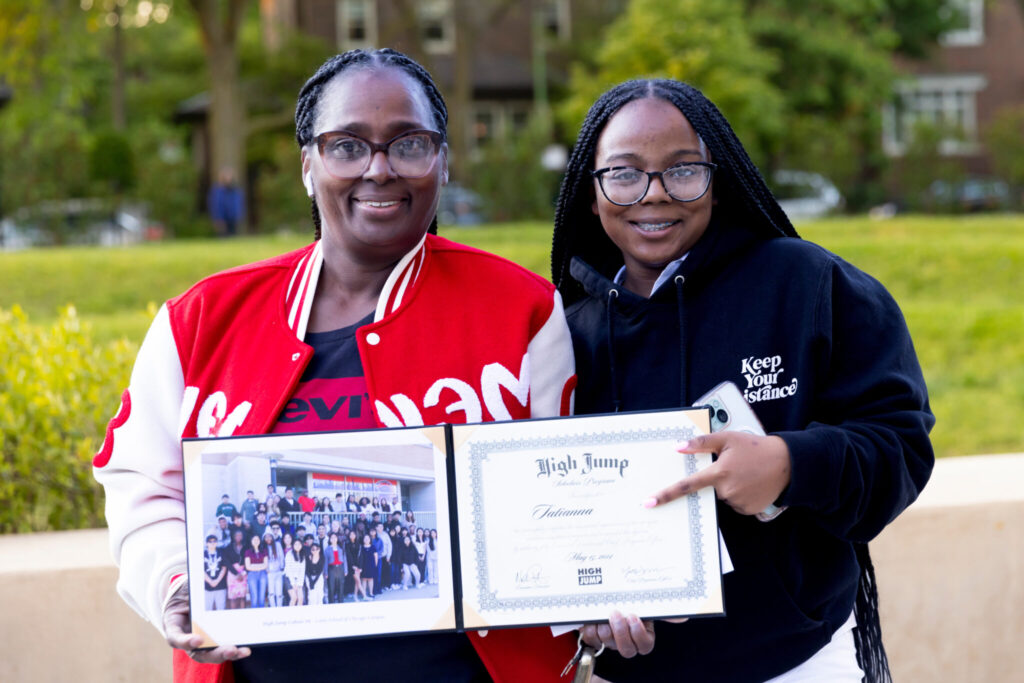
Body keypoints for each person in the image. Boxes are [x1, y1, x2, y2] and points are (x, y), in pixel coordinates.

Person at [93, 47, 577, 682]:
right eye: (347, 146)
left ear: (443, 162)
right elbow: (142, 488)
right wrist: (175, 587)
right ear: (307, 164)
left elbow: (570, 498)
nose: (379, 170)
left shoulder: (524, 310)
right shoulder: (201, 319)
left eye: (409, 144)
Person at [550, 78, 935, 682]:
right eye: (623, 174)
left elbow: (901, 449)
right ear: (590, 193)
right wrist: (583, 607)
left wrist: (788, 464)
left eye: (683, 171)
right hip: (639, 669)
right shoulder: (561, 337)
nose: (653, 195)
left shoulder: (807, 284)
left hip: (797, 658)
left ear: (718, 176)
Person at [207, 166, 244, 237]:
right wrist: (217, 218)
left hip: (233, 218)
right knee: (223, 237)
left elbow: (238, 204)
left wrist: (238, 216)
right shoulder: (217, 190)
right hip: (222, 219)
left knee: (233, 238)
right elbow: (215, 205)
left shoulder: (236, 190)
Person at [223, 530, 248, 610]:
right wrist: (236, 573)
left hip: (243, 574)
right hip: (232, 574)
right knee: (233, 598)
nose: (239, 537)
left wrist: (243, 573)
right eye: (237, 535)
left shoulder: (246, 547)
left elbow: (248, 560)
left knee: (243, 597)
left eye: (240, 535)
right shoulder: (228, 547)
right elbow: (226, 562)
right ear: (233, 537)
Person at [202, 535, 227, 611]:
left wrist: (216, 581)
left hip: (220, 586)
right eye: (210, 542)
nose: (212, 543)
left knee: (221, 608)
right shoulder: (202, 554)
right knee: (207, 608)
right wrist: (210, 581)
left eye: (214, 541)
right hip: (207, 587)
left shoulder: (221, 553)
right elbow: (200, 569)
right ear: (206, 543)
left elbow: (224, 567)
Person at [243, 533, 268, 609]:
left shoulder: (264, 551)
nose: (256, 541)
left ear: (260, 541)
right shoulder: (247, 552)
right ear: (251, 541)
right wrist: (260, 566)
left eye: (257, 539)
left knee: (261, 597)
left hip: (263, 574)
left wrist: (253, 566)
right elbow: (248, 567)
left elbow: (265, 565)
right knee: (254, 597)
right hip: (252, 575)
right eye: (254, 539)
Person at [265, 531, 285, 608]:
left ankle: (279, 607)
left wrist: (282, 567)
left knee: (279, 593)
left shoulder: (277, 545)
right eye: (266, 537)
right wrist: (266, 569)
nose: (268, 538)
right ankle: (273, 607)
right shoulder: (263, 547)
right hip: (269, 573)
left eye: (270, 536)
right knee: (271, 593)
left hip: (278, 572)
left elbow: (281, 557)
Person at [283, 538, 306, 607]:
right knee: (294, 598)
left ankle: (299, 616)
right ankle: (291, 616)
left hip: (298, 579)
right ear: (293, 545)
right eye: (295, 544)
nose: (297, 546)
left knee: (301, 598)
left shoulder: (302, 555)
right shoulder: (289, 554)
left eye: (299, 544)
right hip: (288, 578)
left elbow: (302, 571)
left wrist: (299, 584)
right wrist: (293, 583)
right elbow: (289, 570)